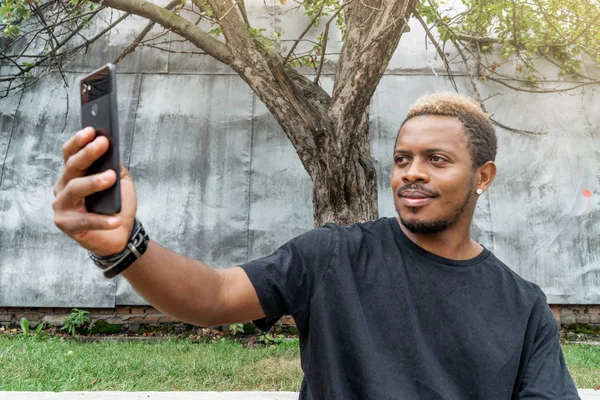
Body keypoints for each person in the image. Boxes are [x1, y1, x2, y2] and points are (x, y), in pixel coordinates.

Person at [52, 92, 580, 399]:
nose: (411, 174)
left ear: (483, 176)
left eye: (436, 160)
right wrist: (127, 245)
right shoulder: (333, 256)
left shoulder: (522, 304)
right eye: (401, 159)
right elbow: (212, 296)